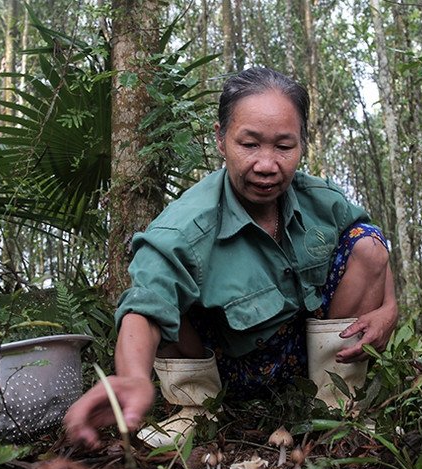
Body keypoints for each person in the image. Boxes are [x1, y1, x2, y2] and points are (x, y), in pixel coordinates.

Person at [64, 67, 398, 449]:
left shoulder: (322, 201)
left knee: (366, 241)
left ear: (303, 144)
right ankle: (196, 409)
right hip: (225, 365)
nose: (267, 164)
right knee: (172, 291)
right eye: (249, 144)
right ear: (221, 140)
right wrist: (133, 377)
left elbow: (374, 252)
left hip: (302, 357)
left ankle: (335, 408)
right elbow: (145, 308)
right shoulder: (184, 226)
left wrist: (390, 309)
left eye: (284, 147)